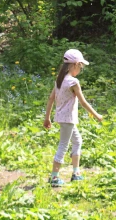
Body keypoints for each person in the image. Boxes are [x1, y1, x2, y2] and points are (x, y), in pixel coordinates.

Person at [43, 49, 103, 187]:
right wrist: (97, 115)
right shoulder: (73, 82)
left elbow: (51, 98)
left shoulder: (60, 80)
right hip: (68, 119)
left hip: (62, 118)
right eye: (80, 67)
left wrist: (47, 118)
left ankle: (76, 173)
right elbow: (83, 102)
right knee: (63, 146)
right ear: (75, 64)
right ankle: (54, 177)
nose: (80, 70)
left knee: (77, 141)